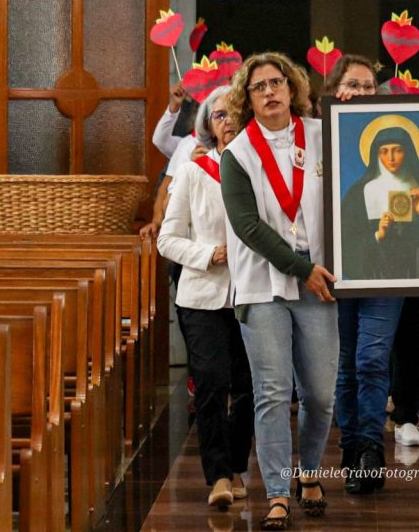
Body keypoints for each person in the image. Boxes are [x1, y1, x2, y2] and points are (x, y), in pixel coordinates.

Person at [220, 52, 337, 531]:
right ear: (246, 99)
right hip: (262, 282)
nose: (269, 91)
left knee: (321, 394)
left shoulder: (324, 136)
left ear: (292, 89)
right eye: (258, 86)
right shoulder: (237, 154)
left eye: (277, 82)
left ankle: (309, 470)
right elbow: (247, 227)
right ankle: (276, 493)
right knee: (271, 391)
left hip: (318, 278)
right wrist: (300, 268)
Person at [156, 85, 254, 510]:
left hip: (252, 293)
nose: (228, 121)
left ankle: (237, 466)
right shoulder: (194, 173)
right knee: (212, 384)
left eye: (234, 113)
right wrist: (209, 253)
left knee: (250, 388)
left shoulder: (260, 172)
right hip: (202, 296)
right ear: (209, 127)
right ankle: (218, 476)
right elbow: (167, 240)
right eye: (219, 115)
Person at [322, 55, 404, 494]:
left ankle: (371, 448)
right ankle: (350, 448)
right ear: (334, 89)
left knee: (372, 359)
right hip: (335, 270)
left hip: (386, 271)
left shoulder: (393, 147)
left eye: (369, 86)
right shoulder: (318, 135)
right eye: (353, 84)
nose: (361, 92)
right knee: (345, 365)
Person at [340, 118, 419, 280]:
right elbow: (344, 244)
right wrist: (377, 235)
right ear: (376, 154)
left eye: (397, 150)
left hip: (413, 279)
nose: (391, 157)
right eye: (384, 151)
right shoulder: (359, 194)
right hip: (372, 280)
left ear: (407, 152)